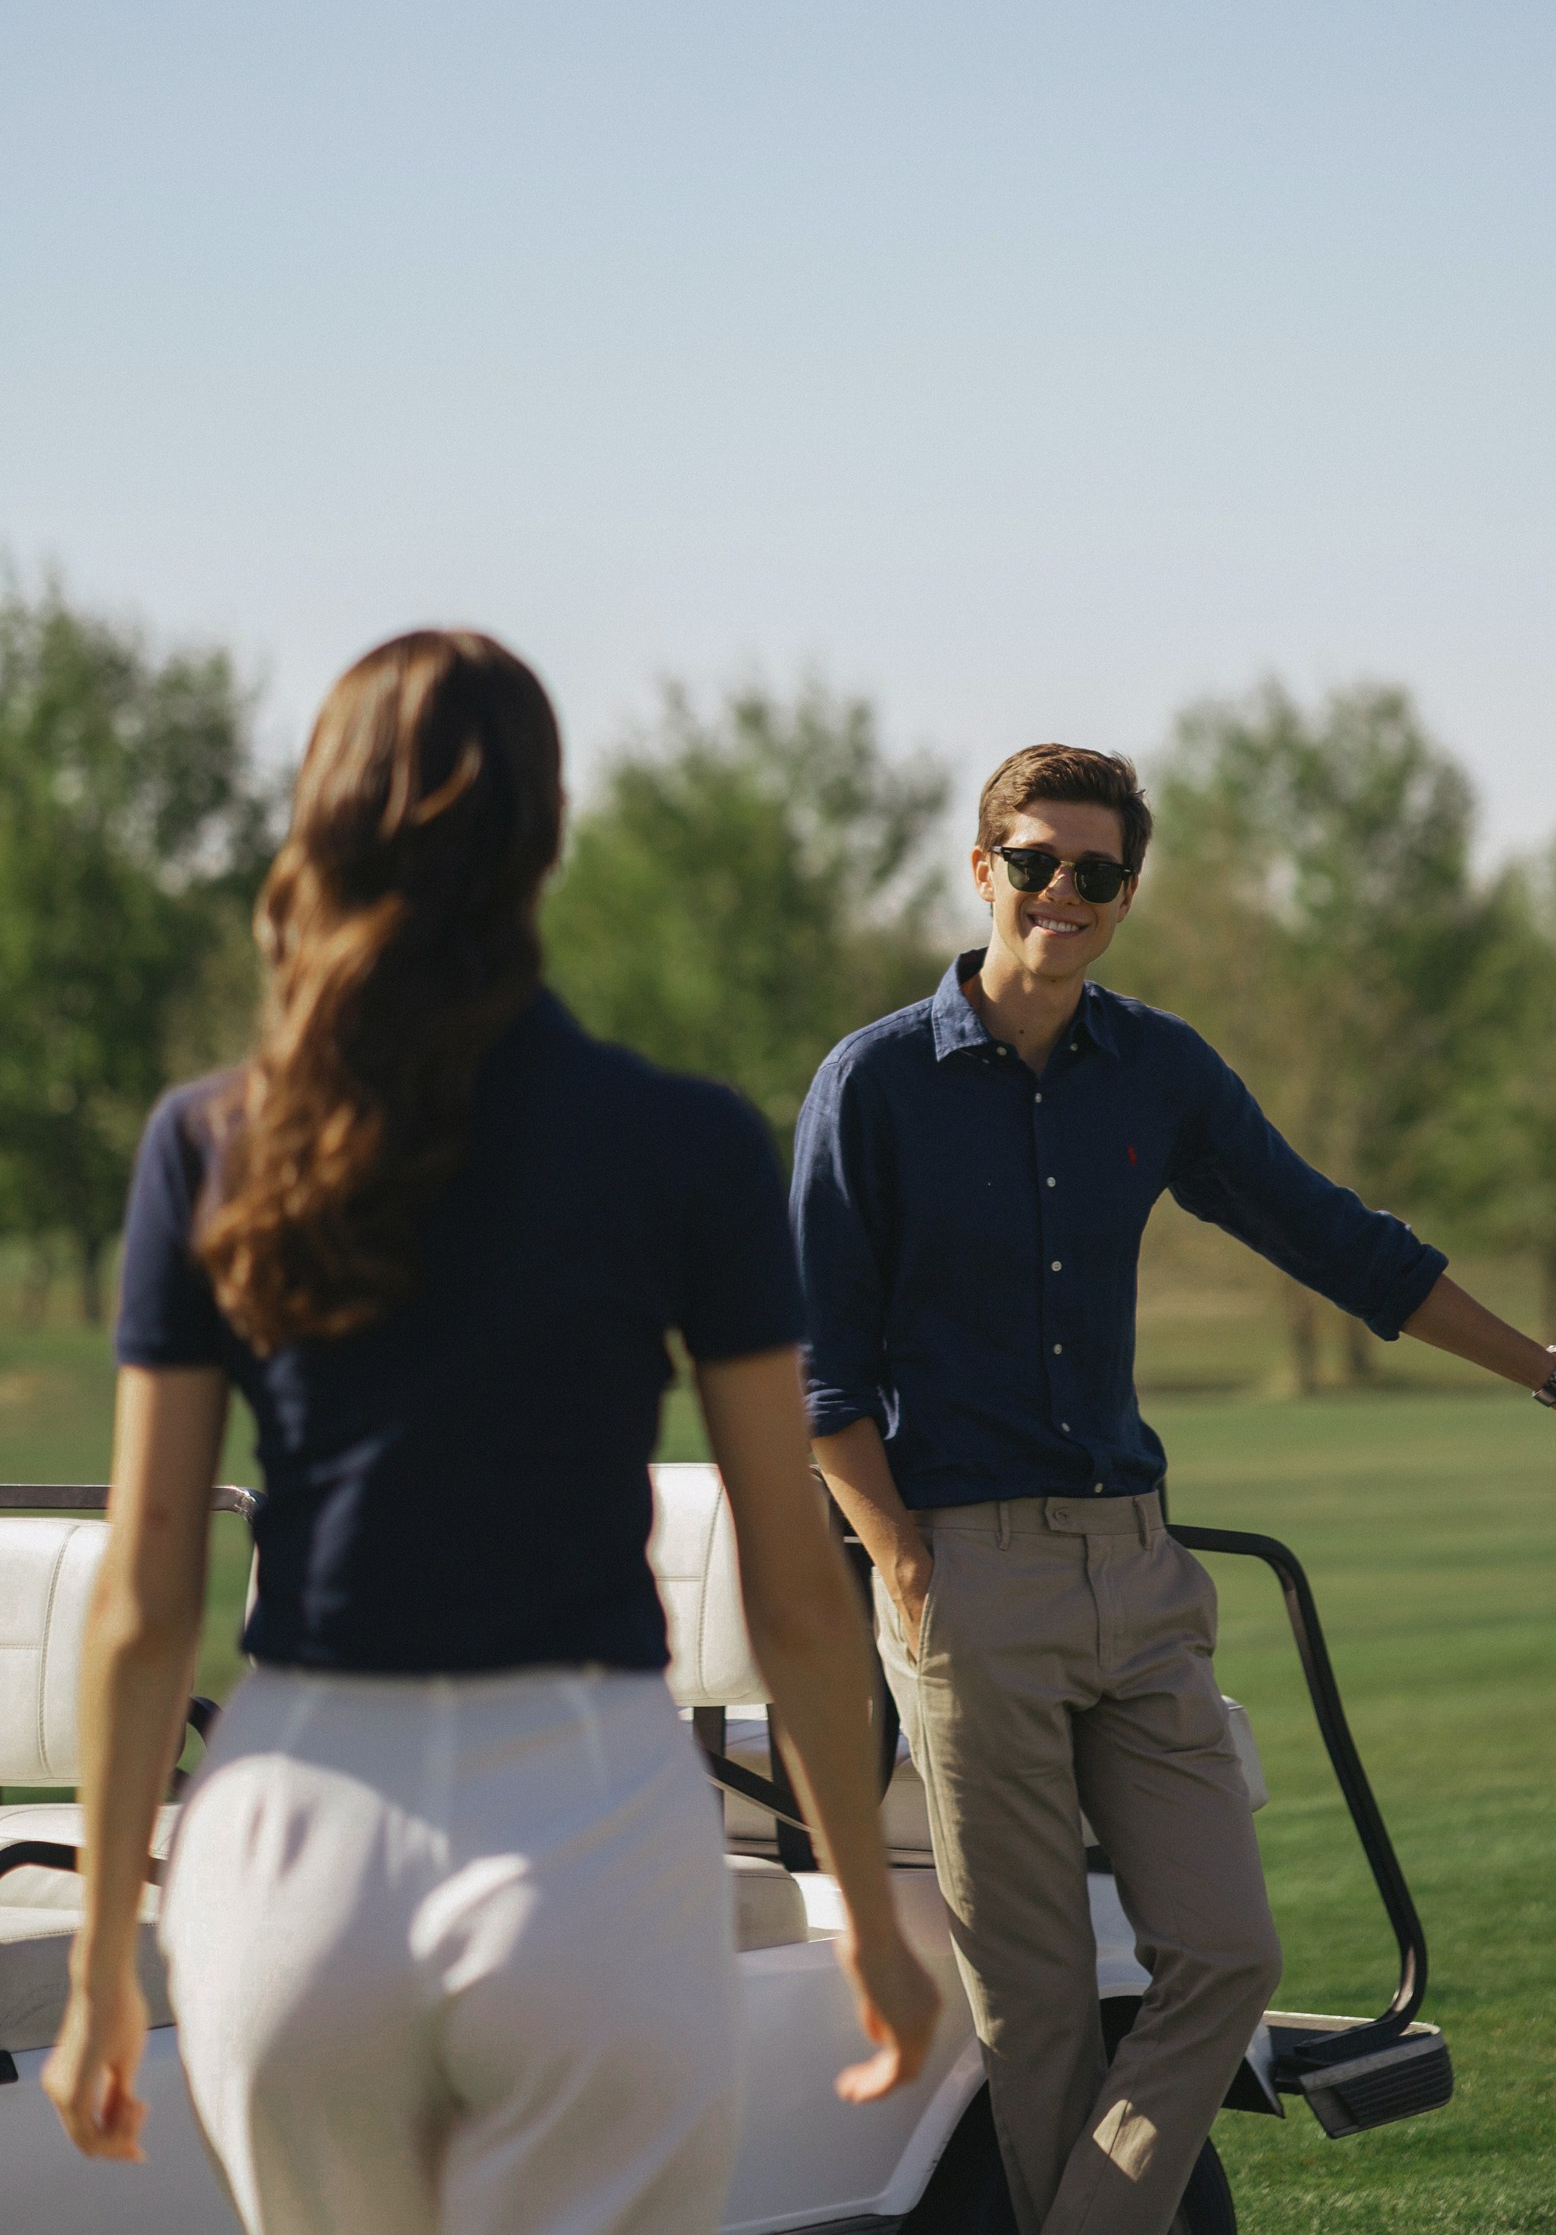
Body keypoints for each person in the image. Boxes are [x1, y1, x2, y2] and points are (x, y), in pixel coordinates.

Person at [44, 629, 937, 2235]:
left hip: (290, 1846)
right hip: (587, 1832)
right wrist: (870, 1918)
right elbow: (801, 1595)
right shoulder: (686, 1142)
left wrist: (106, 1958)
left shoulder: (210, 1140)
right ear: (551, 830)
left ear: (319, 819)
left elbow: (144, 1599)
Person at [798, 741, 1556, 2235]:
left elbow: (1340, 1241)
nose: (1063, 892)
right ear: (980, 865)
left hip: (1140, 1573)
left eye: (1098, 872)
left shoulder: (1160, 1069)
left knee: (1228, 1954)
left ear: (1128, 894)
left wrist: (1555, 1373)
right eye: (1036, 860)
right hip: (965, 1578)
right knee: (1043, 2001)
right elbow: (819, 1378)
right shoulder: (872, 1083)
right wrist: (912, 1576)